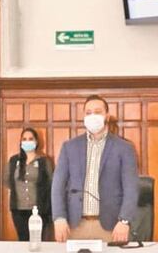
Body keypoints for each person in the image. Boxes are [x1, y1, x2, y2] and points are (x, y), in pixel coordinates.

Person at [51, 95, 139, 244]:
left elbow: (131, 188)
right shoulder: (69, 147)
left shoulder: (124, 148)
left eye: (98, 111)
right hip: (75, 226)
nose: (93, 116)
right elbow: (57, 186)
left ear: (107, 116)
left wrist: (124, 221)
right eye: (88, 112)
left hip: (111, 227)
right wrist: (59, 218)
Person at [5, 127, 54, 241]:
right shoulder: (13, 160)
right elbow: (8, 182)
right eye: (24, 139)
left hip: (40, 210)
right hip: (18, 210)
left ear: (36, 142)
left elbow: (51, 184)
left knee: (37, 241)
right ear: (21, 142)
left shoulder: (44, 161)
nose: (27, 141)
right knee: (23, 240)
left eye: (30, 139)